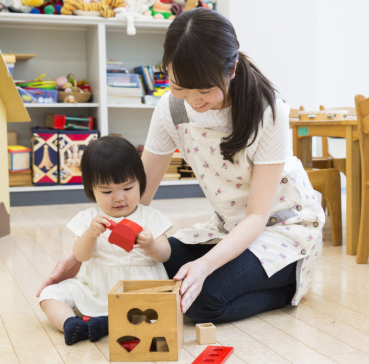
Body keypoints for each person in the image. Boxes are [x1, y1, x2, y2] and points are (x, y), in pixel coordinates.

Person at [38, 7, 324, 324]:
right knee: (161, 262)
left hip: (280, 231)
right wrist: (82, 253)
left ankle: (289, 286)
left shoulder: (269, 112)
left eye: (204, 90)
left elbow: (257, 216)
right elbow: (139, 194)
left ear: (232, 70)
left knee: (199, 302)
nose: (192, 100)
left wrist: (204, 267)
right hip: (228, 229)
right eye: (179, 87)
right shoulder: (171, 108)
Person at [38, 136, 172, 345]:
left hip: (137, 291)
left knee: (157, 311)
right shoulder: (88, 218)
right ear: (92, 189)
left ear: (140, 184)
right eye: (107, 191)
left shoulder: (150, 217)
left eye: (128, 188)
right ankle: (72, 325)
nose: (119, 198)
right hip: (94, 288)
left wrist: (151, 245)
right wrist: (90, 234)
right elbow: (81, 255)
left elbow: (165, 255)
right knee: (48, 295)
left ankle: (106, 322)